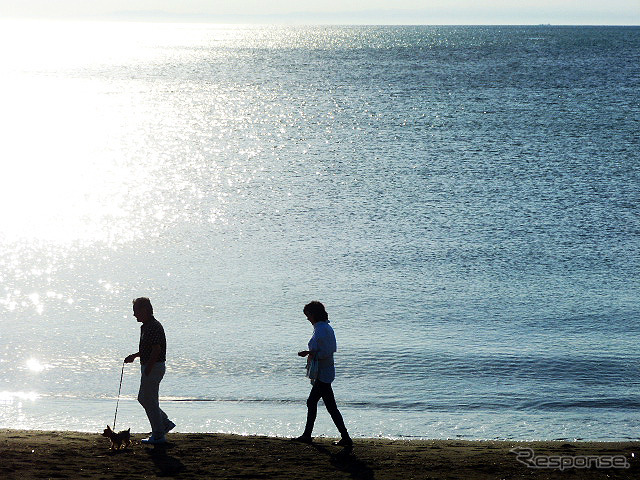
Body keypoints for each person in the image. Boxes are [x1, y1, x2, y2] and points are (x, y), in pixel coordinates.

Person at [294, 301, 352, 446]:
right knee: (329, 406)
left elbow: (326, 351)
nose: (307, 318)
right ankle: (345, 437)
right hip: (325, 372)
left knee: (314, 402)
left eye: (307, 315)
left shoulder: (322, 329)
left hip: (323, 373)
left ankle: (308, 435)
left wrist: (309, 353)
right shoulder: (323, 328)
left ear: (312, 314)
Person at [124, 297, 175, 444]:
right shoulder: (147, 326)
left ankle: (159, 434)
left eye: (136, 311)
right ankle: (164, 423)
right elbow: (148, 348)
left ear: (144, 310)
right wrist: (135, 356)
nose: (134, 315)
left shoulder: (153, 326)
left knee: (149, 400)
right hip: (150, 366)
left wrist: (149, 368)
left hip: (154, 366)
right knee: (144, 398)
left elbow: (156, 350)